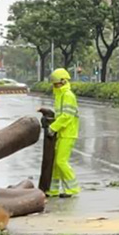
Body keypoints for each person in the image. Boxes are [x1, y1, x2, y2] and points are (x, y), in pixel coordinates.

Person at [47, 68, 80, 198]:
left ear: (64, 81)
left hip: (68, 134)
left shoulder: (68, 96)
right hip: (62, 133)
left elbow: (67, 116)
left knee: (61, 162)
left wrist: (53, 127)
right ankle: (53, 190)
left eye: (57, 83)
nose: (55, 86)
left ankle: (72, 188)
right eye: (54, 84)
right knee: (56, 162)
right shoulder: (59, 95)